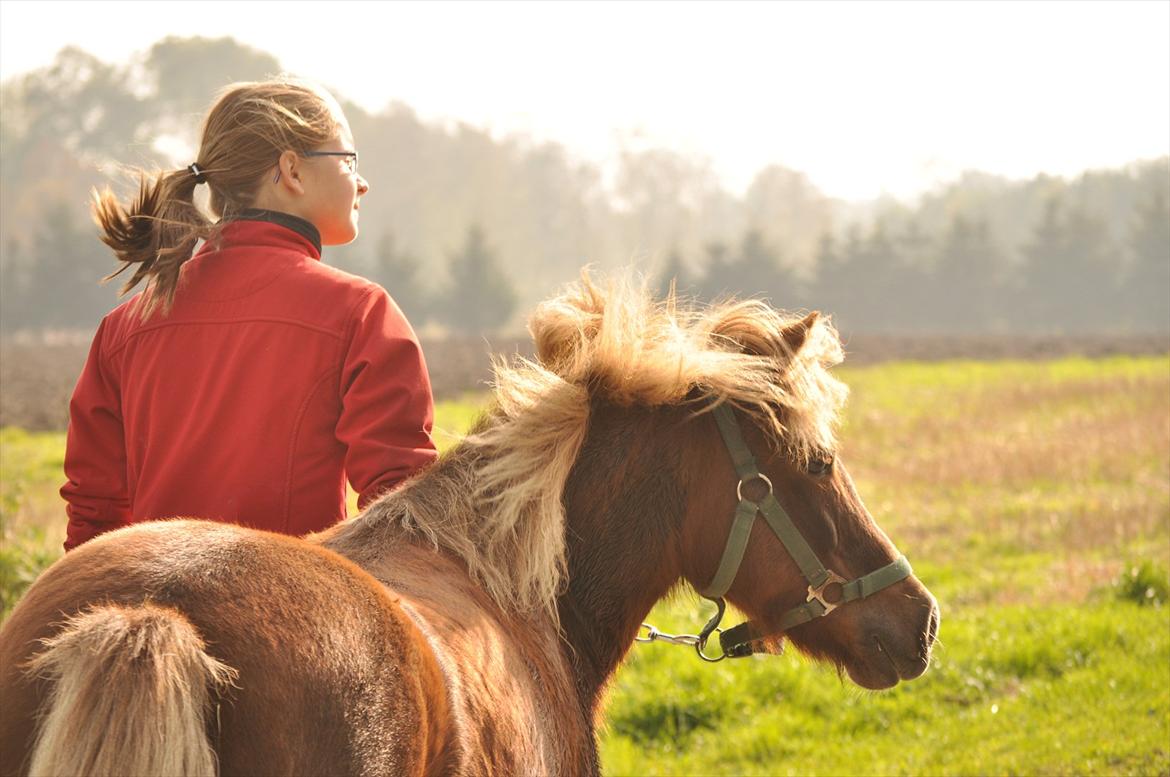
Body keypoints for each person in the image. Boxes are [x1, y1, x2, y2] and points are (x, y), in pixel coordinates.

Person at [60, 78, 437, 551]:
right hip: (300, 617)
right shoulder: (361, 314)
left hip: (145, 603)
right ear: (292, 171)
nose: (362, 182)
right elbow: (400, 517)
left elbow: (93, 529)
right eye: (349, 159)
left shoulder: (123, 329)